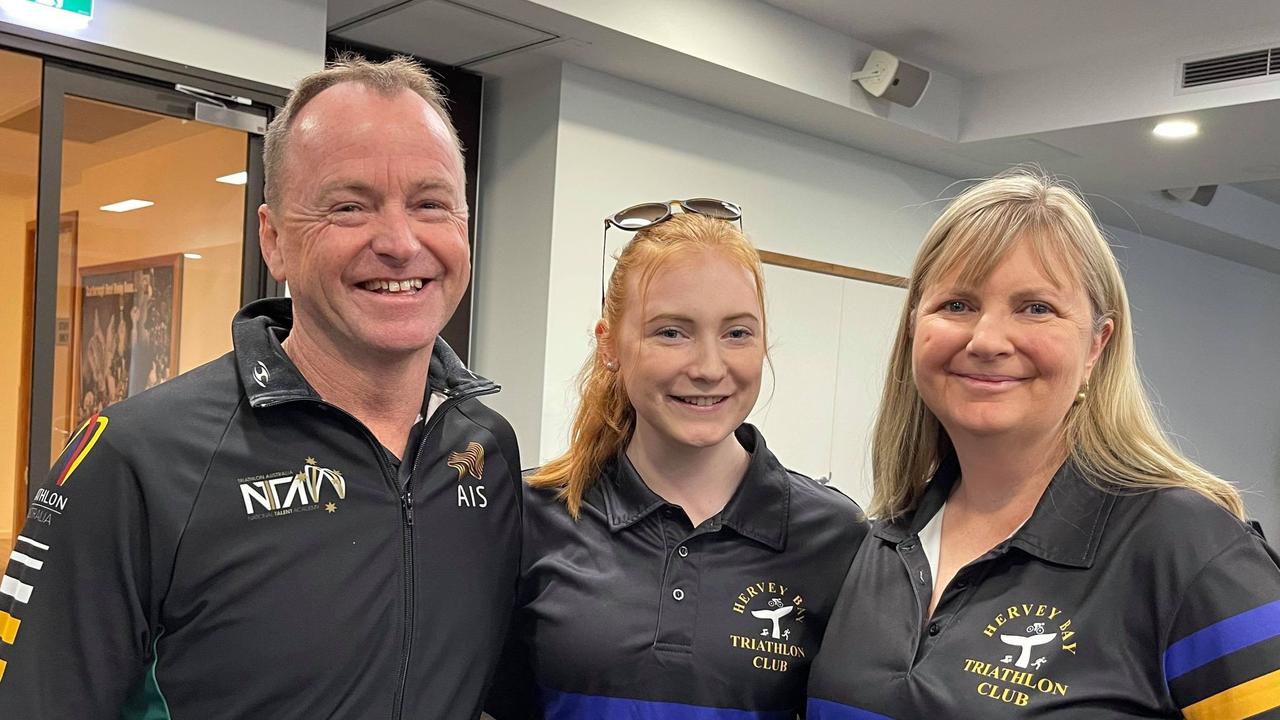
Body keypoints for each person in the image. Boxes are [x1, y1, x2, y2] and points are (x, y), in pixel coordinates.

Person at [0, 55, 522, 719]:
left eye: (431, 203)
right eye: (349, 206)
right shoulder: (136, 459)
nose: (399, 241)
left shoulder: (486, 452)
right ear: (273, 240)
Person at [807, 169, 1280, 718]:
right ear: (915, 326)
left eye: (1036, 307)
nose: (986, 341)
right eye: (956, 304)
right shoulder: (879, 542)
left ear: (1097, 345)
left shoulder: (1186, 547)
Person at [486, 205, 868, 719]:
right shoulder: (532, 513)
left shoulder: (834, 536)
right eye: (671, 332)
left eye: (737, 333)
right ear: (609, 345)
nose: (709, 368)